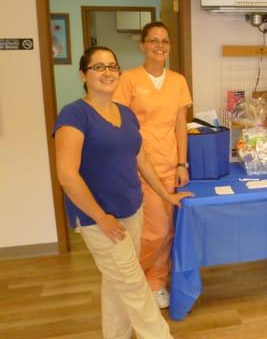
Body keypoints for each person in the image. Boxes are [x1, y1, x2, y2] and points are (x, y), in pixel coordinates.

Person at [54, 46, 193, 338]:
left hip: (132, 209)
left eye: (112, 66)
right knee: (132, 283)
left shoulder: (126, 114)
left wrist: (166, 195)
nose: (108, 72)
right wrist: (101, 217)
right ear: (83, 74)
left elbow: (140, 158)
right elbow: (67, 176)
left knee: (117, 284)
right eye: (98, 67)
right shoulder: (74, 115)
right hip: (99, 220)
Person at [113, 21, 192, 309]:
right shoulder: (129, 80)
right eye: (154, 40)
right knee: (154, 230)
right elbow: (120, 124)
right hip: (140, 165)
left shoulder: (178, 81)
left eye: (165, 41)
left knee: (169, 230)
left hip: (171, 164)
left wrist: (183, 163)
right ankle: (127, 277)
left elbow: (180, 126)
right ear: (142, 45)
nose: (160, 46)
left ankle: (156, 282)